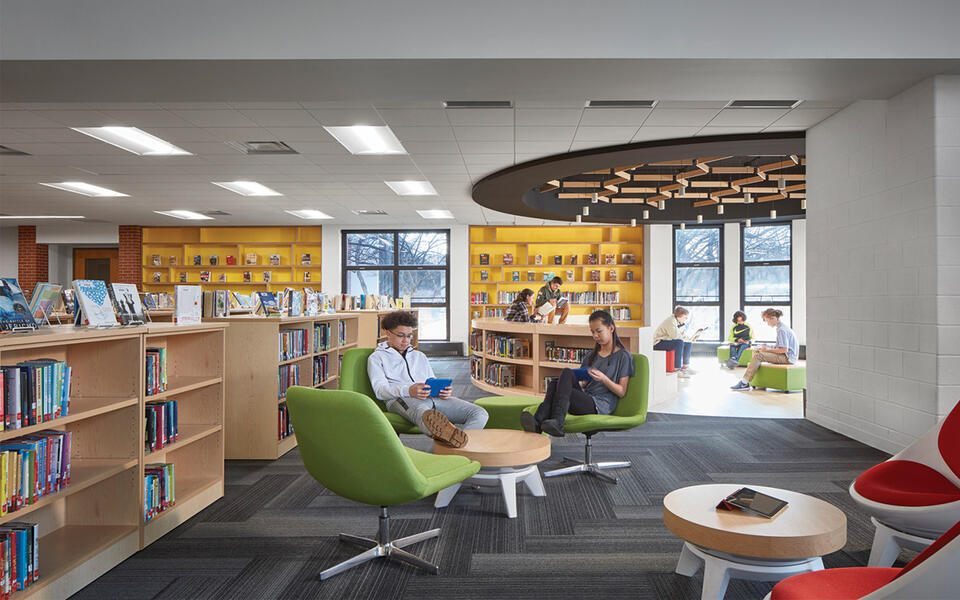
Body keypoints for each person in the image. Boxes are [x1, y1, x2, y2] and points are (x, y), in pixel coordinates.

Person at [368, 310, 488, 447]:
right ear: (388, 333)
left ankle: (458, 447)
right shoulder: (377, 358)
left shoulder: (419, 356)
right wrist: (409, 390)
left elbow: (431, 379)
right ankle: (450, 442)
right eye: (401, 336)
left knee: (479, 413)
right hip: (401, 399)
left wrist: (444, 390)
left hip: (433, 398)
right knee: (424, 414)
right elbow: (380, 391)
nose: (406, 341)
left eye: (409, 336)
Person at [521, 310, 634, 437]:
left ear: (611, 328)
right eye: (592, 332)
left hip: (599, 405)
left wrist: (603, 378)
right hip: (585, 397)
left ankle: (549, 421)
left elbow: (621, 391)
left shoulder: (623, 356)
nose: (595, 336)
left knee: (563, 378)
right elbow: (584, 385)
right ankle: (542, 422)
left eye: (599, 331)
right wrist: (581, 381)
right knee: (556, 382)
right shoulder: (591, 356)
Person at [731, 308, 799, 390]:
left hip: (788, 358)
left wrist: (766, 350)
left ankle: (744, 382)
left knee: (758, 356)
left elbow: (784, 349)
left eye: (767, 321)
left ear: (772, 318)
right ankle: (757, 380)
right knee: (756, 351)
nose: (767, 324)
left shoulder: (781, 330)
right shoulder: (781, 327)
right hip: (786, 355)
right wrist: (767, 346)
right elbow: (780, 346)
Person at [653, 306, 701, 378]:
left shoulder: (679, 322)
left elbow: (682, 335)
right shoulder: (671, 321)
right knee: (679, 343)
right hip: (659, 342)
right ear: (679, 316)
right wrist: (685, 338)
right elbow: (675, 336)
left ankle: (685, 366)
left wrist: (691, 339)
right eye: (685, 317)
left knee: (688, 343)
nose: (686, 319)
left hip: (667, 340)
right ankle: (677, 370)